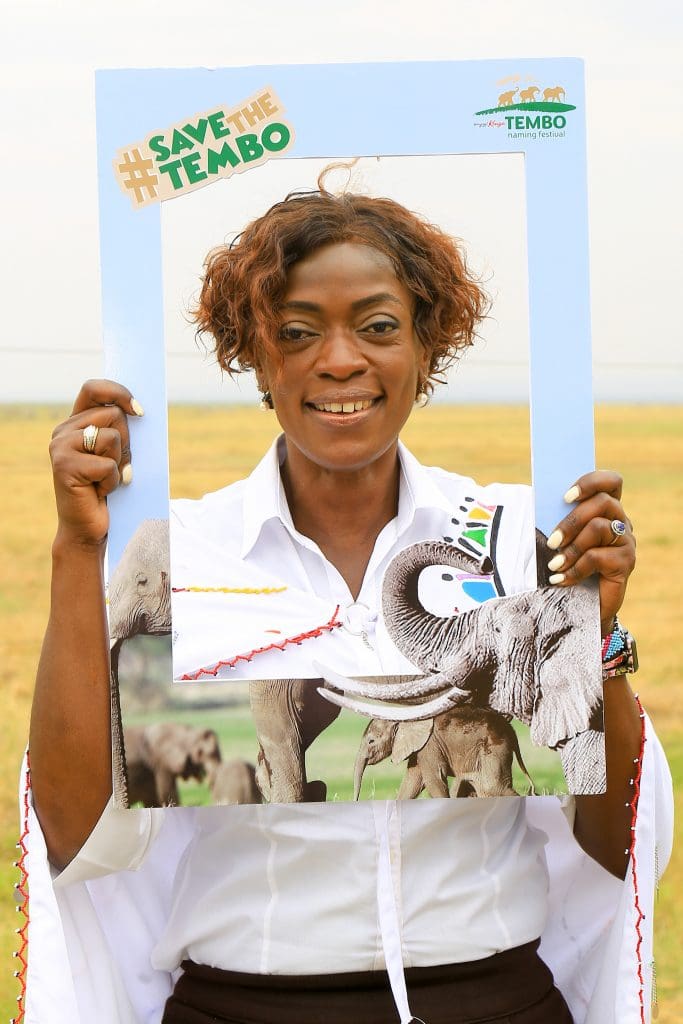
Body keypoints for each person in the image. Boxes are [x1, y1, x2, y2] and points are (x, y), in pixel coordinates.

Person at [25, 186, 672, 1024]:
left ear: (424, 345)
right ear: (254, 357)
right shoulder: (182, 551)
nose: (338, 360)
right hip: (241, 1005)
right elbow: (74, 838)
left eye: (376, 326)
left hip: (490, 1001)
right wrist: (77, 553)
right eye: (296, 333)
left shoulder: (517, 535)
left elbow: (612, 844)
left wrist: (598, 630)